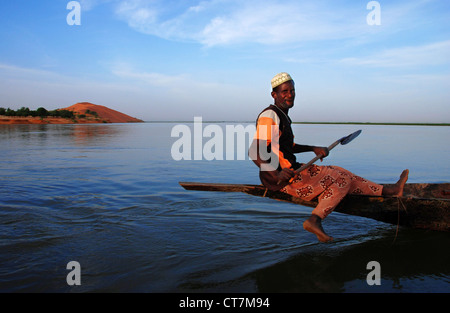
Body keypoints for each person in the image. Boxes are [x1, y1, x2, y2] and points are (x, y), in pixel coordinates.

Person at [249, 72, 409, 243]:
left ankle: (390, 191)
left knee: (341, 172)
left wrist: (313, 148)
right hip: (283, 179)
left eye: (292, 90)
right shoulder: (270, 116)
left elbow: (286, 148)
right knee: (341, 180)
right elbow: (255, 151)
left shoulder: (282, 115)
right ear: (274, 95)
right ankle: (314, 220)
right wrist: (276, 175)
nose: (290, 95)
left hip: (292, 170)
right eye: (284, 91)